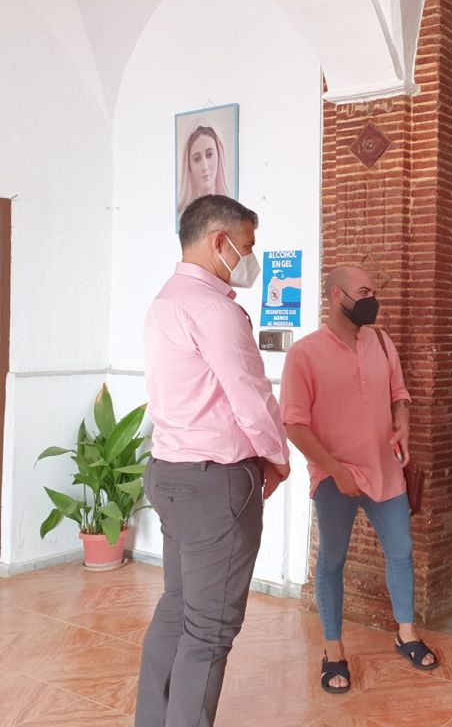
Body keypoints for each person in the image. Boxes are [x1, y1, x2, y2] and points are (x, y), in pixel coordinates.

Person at [136, 194, 291, 727]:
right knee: (209, 631)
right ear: (219, 241)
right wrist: (277, 456)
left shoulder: (166, 301)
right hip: (214, 483)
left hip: (171, 473)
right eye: (247, 245)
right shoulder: (213, 309)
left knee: (177, 611)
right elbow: (249, 393)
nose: (252, 256)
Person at [280, 265, 438, 695]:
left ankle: (405, 632)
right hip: (334, 478)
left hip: (386, 470)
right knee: (331, 561)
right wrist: (335, 470)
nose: (372, 299)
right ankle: (333, 650)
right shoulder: (305, 353)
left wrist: (402, 424)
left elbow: (399, 396)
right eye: (364, 291)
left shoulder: (382, 342)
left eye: (373, 290)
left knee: (401, 552)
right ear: (336, 296)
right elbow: (294, 425)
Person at [177, 124, 231, 217]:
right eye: (197, 159)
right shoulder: (182, 215)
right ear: (189, 166)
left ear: (219, 157)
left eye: (209, 155)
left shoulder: (230, 212)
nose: (205, 166)